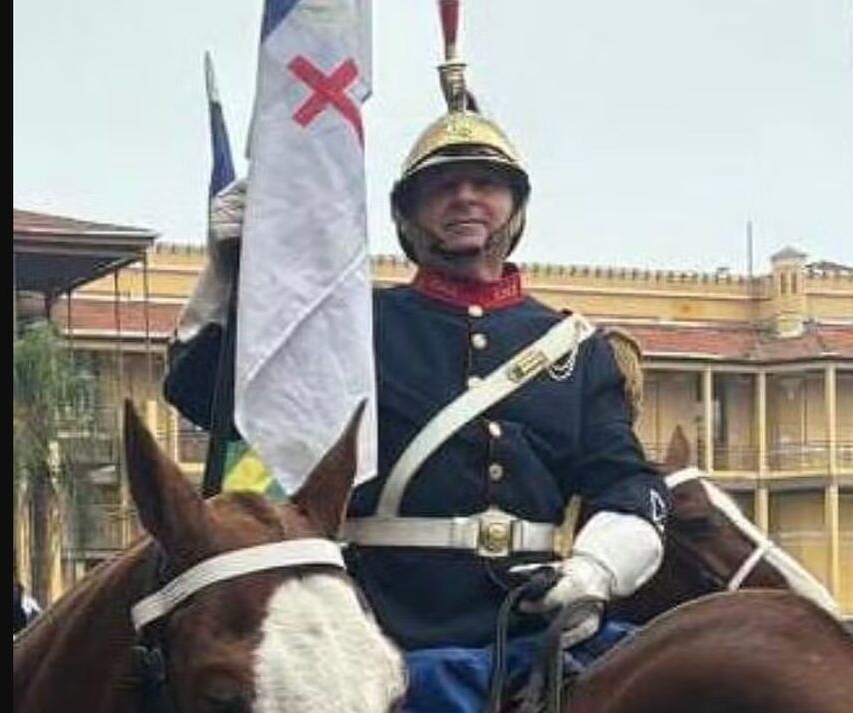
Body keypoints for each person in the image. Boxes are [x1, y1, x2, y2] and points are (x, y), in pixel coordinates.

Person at [165, 59, 668, 712]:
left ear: (514, 206)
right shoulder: (354, 322)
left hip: (539, 629)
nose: (464, 197)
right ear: (410, 214)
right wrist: (226, 273)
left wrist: (592, 571)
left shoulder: (576, 347)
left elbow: (630, 486)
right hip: (388, 627)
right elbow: (209, 388)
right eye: (443, 186)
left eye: (485, 182)